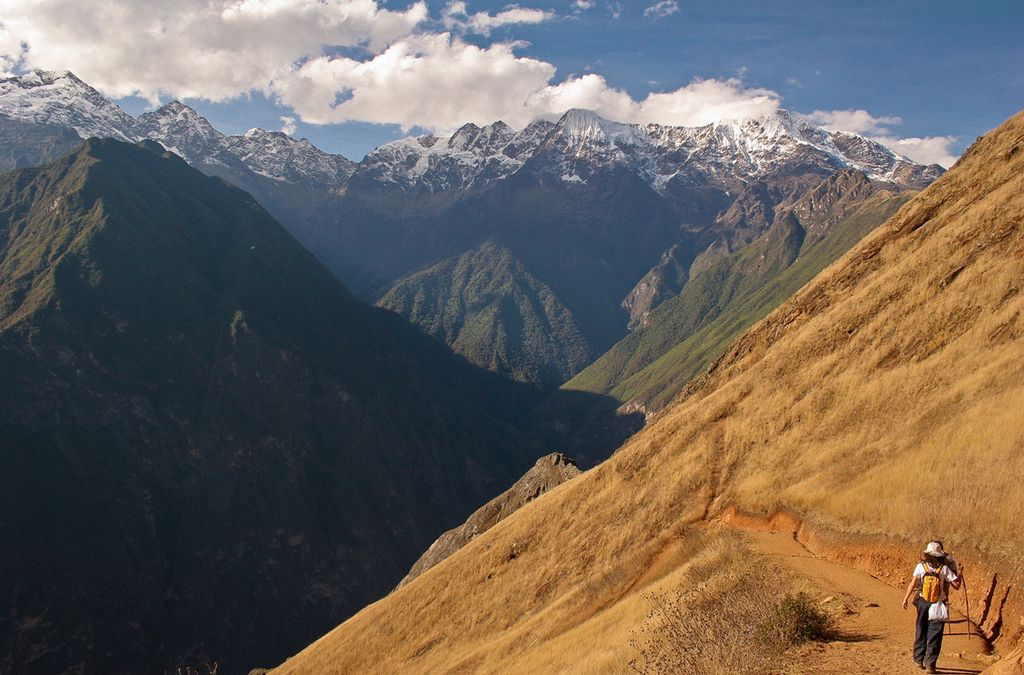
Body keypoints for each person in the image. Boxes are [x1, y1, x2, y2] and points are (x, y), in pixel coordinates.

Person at [901, 541, 961, 673]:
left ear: (927, 554)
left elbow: (912, 584)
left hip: (922, 602)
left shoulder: (920, 567)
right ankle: (930, 664)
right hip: (938, 604)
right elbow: (956, 586)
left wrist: (905, 598)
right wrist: (959, 573)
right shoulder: (944, 569)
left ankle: (918, 659)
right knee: (935, 634)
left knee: (921, 629)